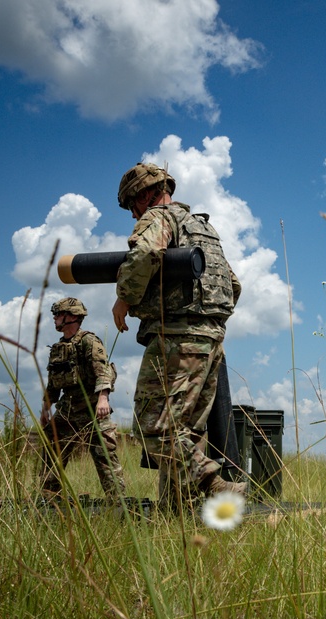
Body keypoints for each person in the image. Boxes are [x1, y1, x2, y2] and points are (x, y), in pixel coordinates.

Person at [111, 163, 245, 513]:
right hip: (211, 338)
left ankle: (212, 481)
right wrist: (209, 324)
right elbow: (233, 285)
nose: (133, 214)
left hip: (178, 337)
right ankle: (177, 514)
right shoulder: (203, 228)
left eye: (131, 206)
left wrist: (125, 297)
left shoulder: (161, 217)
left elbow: (142, 254)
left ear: (144, 195)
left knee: (154, 425)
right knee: (185, 431)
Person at [39, 297, 126, 500]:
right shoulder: (58, 347)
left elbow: (103, 371)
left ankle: (118, 503)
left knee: (105, 458)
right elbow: (53, 382)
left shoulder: (89, 341)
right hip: (68, 410)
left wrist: (103, 399)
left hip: (93, 409)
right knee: (52, 453)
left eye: (58, 314)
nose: (54, 318)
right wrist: (46, 408)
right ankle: (50, 499)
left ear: (72, 317)